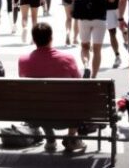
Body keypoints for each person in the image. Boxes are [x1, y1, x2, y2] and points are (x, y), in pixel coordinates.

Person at [18, 22, 85, 154]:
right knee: (76, 96)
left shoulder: (23, 60)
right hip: (67, 115)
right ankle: (72, 138)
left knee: (39, 100)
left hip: (36, 115)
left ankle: (50, 138)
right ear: (51, 38)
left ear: (34, 39)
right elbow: (79, 84)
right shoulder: (68, 58)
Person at [70, 0, 115, 78]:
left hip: (84, 18)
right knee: (97, 50)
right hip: (99, 18)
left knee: (84, 47)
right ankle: (94, 76)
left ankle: (86, 66)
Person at [102, 0, 128, 69]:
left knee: (125, 30)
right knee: (112, 33)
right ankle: (117, 56)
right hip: (108, 8)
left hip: (122, 7)